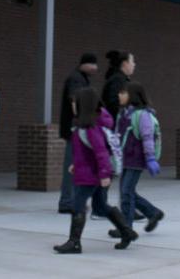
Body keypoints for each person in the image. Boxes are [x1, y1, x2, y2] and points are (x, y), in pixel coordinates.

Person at [53, 87, 137, 254]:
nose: (73, 106)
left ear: (83, 104)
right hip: (91, 172)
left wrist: (105, 174)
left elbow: (101, 152)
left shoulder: (91, 127)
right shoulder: (84, 126)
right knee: (100, 206)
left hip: (93, 175)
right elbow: (87, 152)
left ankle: (74, 242)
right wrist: (76, 165)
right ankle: (127, 232)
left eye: (75, 103)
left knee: (78, 204)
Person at [110, 82, 164, 238]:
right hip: (125, 159)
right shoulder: (123, 114)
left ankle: (125, 228)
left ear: (132, 95)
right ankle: (153, 213)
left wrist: (151, 158)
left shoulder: (142, 115)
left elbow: (147, 138)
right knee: (126, 192)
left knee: (126, 192)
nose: (119, 95)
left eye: (123, 93)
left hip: (136, 160)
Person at [58, 53, 99, 214]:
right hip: (74, 129)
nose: (95, 68)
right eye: (93, 64)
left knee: (76, 165)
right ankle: (67, 202)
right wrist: (79, 119)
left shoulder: (81, 77)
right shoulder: (76, 79)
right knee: (72, 166)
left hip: (75, 128)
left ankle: (72, 200)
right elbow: (74, 99)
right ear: (84, 64)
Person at [101, 50, 135, 118]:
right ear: (125, 63)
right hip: (116, 123)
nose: (134, 64)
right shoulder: (118, 80)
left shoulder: (120, 79)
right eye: (132, 61)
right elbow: (114, 103)